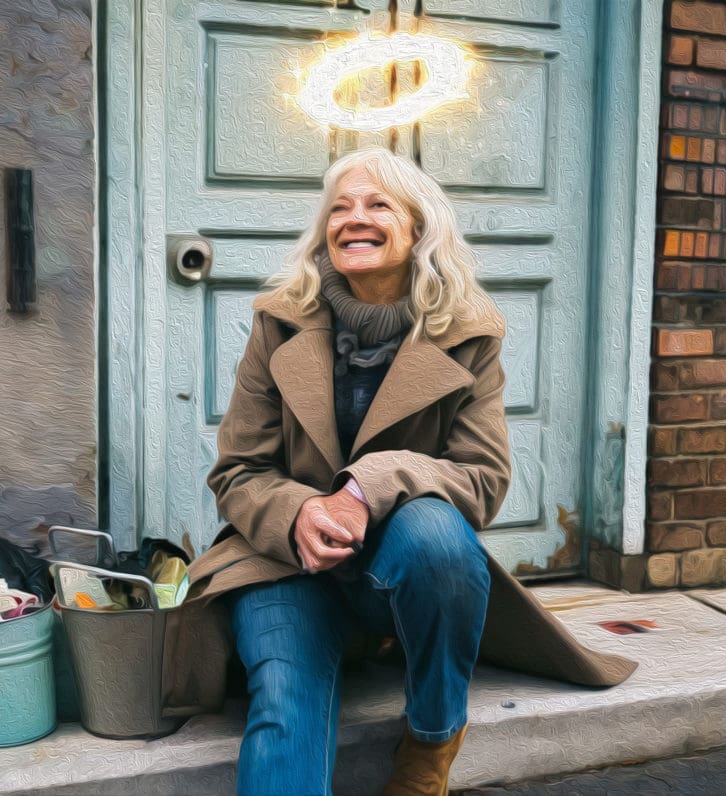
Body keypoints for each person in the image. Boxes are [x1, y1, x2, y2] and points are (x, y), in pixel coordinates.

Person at [181, 147, 637, 796]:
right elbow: (239, 470)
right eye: (339, 208)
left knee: (435, 533)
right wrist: (299, 511)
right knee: (284, 700)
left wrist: (368, 485)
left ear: (419, 227)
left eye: (378, 205)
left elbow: (481, 477)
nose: (353, 219)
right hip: (285, 562)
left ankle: (431, 740)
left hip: (394, 572)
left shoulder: (468, 333)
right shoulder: (279, 322)